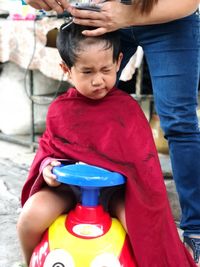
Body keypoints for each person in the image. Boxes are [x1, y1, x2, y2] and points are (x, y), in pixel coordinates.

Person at [25, 0, 200, 265]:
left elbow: (188, 1)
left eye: (107, 70)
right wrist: (50, 167)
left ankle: (196, 229)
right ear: (66, 70)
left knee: (179, 123)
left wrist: (130, 13)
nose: (98, 80)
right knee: (86, 103)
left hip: (169, 15)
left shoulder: (129, 113)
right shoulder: (61, 110)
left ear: (117, 64)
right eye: (88, 72)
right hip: (102, 16)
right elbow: (51, 151)